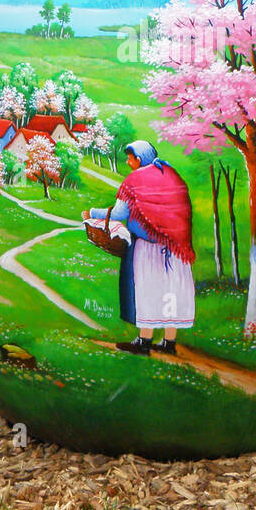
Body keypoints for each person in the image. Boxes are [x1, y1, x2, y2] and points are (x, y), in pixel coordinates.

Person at [89, 140, 196, 355]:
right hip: (174, 247)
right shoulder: (171, 174)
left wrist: (92, 213)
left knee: (148, 290)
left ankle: (144, 342)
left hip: (148, 247)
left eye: (130, 158)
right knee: (171, 291)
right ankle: (169, 343)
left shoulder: (135, 180)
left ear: (139, 158)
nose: (128, 162)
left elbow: (119, 214)